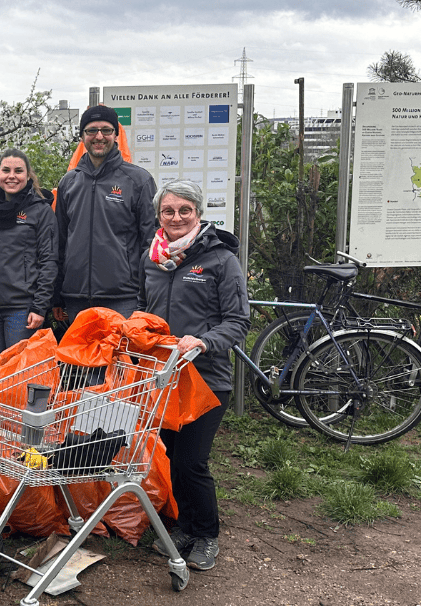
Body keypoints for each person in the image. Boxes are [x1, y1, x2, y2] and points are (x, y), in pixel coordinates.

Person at [138, 179, 250, 571]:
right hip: (163, 376)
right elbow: (143, 308)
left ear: (198, 214)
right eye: (168, 211)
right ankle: (184, 526)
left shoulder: (220, 260)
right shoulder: (151, 258)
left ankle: (206, 536)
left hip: (207, 377)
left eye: (185, 210)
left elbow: (238, 322)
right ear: (159, 216)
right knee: (170, 457)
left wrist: (202, 342)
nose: (176, 217)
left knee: (192, 460)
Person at [53, 105, 157, 323]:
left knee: (120, 358)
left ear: (116, 136)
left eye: (106, 130)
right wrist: (57, 295)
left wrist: (145, 293)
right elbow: (60, 242)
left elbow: (150, 243)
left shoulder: (139, 181)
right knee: (79, 359)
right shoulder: (69, 182)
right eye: (91, 130)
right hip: (76, 297)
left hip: (123, 298)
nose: (99, 136)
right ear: (82, 136)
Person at [0, 149, 58, 365]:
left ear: (28, 176)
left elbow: (49, 261)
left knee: (17, 373)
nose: (12, 176)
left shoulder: (40, 211)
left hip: (21, 310)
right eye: (6, 170)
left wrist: (40, 306)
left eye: (18, 171)